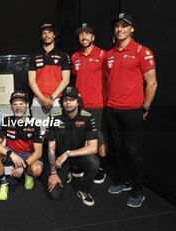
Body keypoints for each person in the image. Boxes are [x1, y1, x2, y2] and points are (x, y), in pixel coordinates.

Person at [103, 13, 158, 208]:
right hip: (112, 109)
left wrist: (145, 107)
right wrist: (109, 102)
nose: (120, 29)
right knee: (118, 148)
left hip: (133, 109)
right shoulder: (109, 54)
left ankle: (138, 191)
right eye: (117, 25)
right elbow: (108, 81)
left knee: (133, 150)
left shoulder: (142, 51)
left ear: (131, 29)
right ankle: (124, 182)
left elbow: (152, 84)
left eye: (124, 26)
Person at [45, 86, 99, 206]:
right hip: (59, 159)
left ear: (78, 101)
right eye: (65, 99)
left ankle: (83, 190)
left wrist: (68, 153)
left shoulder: (88, 117)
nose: (68, 102)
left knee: (94, 162)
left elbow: (93, 148)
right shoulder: (54, 118)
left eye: (72, 99)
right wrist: (53, 173)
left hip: (75, 155)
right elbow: (51, 147)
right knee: (55, 195)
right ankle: (67, 171)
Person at [70, 23, 107, 184]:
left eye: (87, 34)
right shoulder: (75, 57)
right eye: (81, 35)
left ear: (93, 37)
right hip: (80, 105)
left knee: (97, 136)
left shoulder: (103, 55)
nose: (84, 37)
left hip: (97, 103)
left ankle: (100, 167)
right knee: (79, 135)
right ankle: (81, 165)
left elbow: (109, 78)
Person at [0, 90, 43, 201]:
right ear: (11, 106)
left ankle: (27, 174)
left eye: (21, 104)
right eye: (15, 104)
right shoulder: (6, 120)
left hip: (28, 155)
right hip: (12, 154)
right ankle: (4, 183)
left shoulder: (35, 123)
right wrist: (11, 154)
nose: (18, 107)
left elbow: (38, 152)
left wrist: (23, 165)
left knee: (37, 170)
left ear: (26, 105)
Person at [28, 23, 71, 133]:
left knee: (58, 134)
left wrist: (51, 99)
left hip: (57, 100)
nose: (47, 35)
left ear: (54, 35)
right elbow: (31, 81)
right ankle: (40, 152)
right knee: (39, 134)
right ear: (41, 36)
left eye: (49, 32)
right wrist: (43, 99)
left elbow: (66, 80)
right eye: (44, 33)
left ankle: (54, 152)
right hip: (38, 100)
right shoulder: (34, 55)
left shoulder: (63, 55)